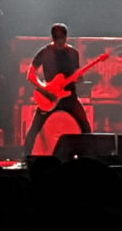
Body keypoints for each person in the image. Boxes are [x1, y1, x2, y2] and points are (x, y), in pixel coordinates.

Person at [23, 23, 92, 156]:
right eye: (56, 38)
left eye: (61, 38)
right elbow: (30, 75)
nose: (59, 41)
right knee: (35, 128)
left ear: (66, 37)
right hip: (50, 96)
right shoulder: (45, 52)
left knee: (85, 126)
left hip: (69, 96)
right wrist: (44, 90)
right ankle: (26, 158)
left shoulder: (73, 53)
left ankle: (88, 157)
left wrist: (80, 78)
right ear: (52, 38)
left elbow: (77, 75)